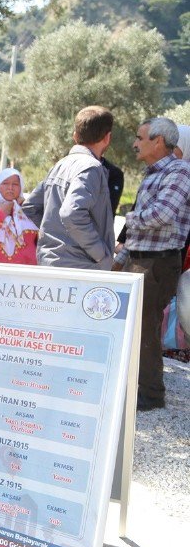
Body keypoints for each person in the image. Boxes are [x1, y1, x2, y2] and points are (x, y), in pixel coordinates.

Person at [113, 117, 190, 412]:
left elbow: (161, 215)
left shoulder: (179, 171)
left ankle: (150, 395)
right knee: (133, 327)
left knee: (144, 328)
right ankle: (135, 388)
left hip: (158, 265)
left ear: (158, 141)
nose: (134, 143)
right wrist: (119, 261)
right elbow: (141, 231)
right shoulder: (153, 173)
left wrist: (122, 219)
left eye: (139, 137)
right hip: (141, 260)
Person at [22, 106, 116, 270]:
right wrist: (101, 254)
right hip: (80, 267)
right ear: (107, 138)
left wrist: (55, 235)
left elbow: (30, 207)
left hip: (50, 262)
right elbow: (71, 213)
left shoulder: (60, 165)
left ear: (75, 136)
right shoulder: (91, 168)